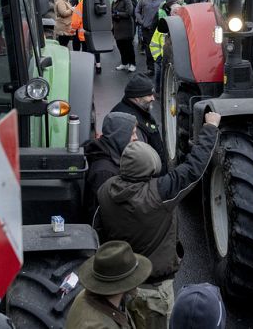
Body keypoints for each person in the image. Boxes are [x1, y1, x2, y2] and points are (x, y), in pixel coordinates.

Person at [94, 111, 222, 329]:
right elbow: (194, 168)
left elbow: (98, 228)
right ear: (151, 166)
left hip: (123, 286)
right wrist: (210, 128)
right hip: (155, 291)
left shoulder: (106, 189)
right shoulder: (159, 193)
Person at [65, 240, 151, 329]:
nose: (138, 280)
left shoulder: (85, 295)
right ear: (123, 284)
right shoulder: (100, 326)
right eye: (134, 275)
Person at [84, 112, 138, 217]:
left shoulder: (110, 153)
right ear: (119, 136)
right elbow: (98, 213)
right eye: (132, 134)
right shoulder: (104, 173)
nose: (136, 138)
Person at [111, 74, 166, 172]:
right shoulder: (131, 123)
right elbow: (139, 161)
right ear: (137, 98)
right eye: (149, 95)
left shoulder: (139, 110)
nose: (153, 98)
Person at [135, 0, 165, 76]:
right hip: (147, 29)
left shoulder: (162, 0)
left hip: (158, 30)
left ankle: (161, 69)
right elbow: (137, 11)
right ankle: (150, 69)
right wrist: (141, 21)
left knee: (160, 49)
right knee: (148, 50)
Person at [112, 0, 137, 72]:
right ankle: (124, 63)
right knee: (120, 46)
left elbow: (129, 12)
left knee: (128, 47)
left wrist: (118, 13)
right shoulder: (114, 1)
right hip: (118, 28)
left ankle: (132, 64)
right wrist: (114, 15)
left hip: (126, 28)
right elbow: (112, 12)